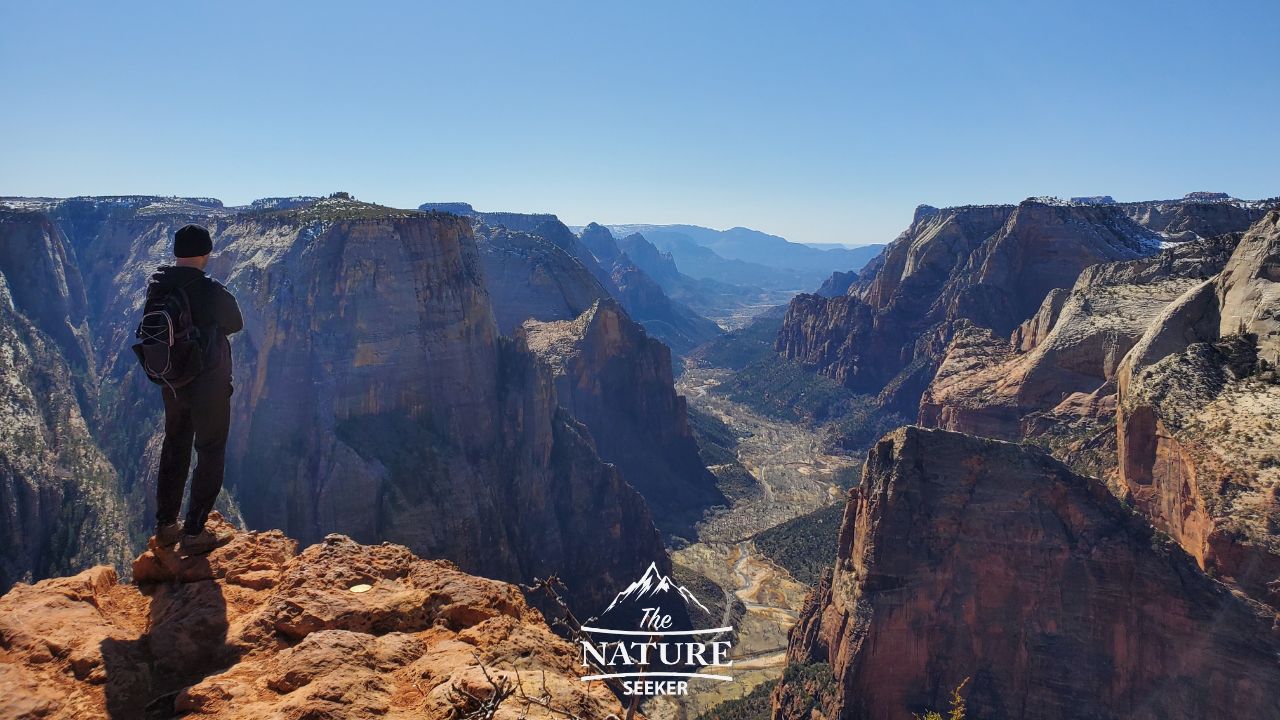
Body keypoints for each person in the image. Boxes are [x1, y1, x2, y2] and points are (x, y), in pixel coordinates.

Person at [149, 224, 243, 556]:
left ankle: (165, 526)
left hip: (172, 381)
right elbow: (236, 323)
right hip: (208, 385)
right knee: (210, 450)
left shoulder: (158, 286)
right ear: (205, 254)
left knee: (175, 445)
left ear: (177, 253)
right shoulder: (210, 291)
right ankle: (194, 530)